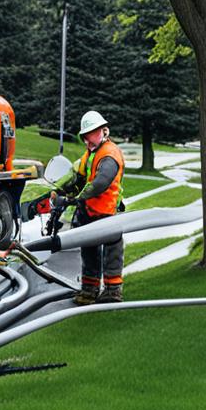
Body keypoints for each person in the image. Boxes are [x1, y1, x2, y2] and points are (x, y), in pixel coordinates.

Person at [52, 110, 126, 305]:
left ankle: (112, 290)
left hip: (108, 214)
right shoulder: (90, 154)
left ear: (102, 130)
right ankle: (90, 290)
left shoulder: (110, 154)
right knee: (89, 252)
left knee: (112, 253)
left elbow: (101, 183)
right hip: (90, 212)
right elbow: (79, 177)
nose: (87, 139)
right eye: (84, 136)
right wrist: (60, 190)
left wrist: (77, 198)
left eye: (90, 134)